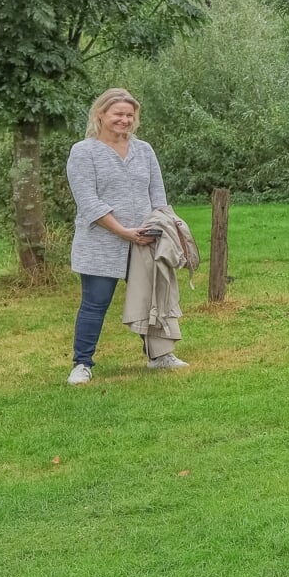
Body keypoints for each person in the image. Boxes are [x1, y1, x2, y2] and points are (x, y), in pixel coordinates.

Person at [65, 88, 185, 384]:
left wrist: (164, 225)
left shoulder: (144, 150)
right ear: (101, 115)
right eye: (118, 114)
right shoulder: (84, 152)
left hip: (145, 239)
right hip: (101, 242)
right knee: (95, 302)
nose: (125, 120)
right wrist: (123, 231)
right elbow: (88, 201)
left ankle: (159, 356)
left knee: (153, 298)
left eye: (130, 115)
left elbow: (157, 195)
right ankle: (82, 364)